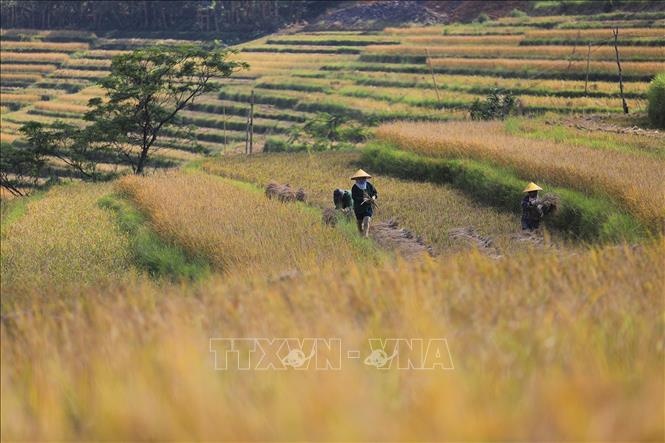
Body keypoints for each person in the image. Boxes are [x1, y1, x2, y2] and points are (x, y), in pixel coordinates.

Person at [350, 169, 377, 237]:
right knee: (359, 222)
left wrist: (373, 198)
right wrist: (363, 199)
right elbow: (354, 197)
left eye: (363, 178)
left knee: (367, 219)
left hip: (367, 207)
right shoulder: (355, 187)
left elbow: (375, 193)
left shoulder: (369, 185)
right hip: (358, 208)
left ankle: (365, 235)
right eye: (360, 178)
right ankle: (360, 232)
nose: (362, 179)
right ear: (356, 179)